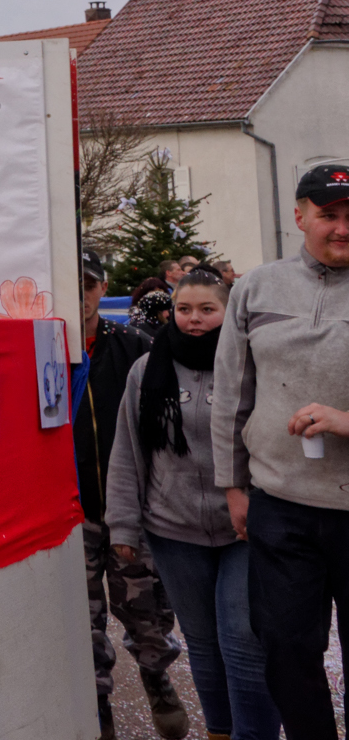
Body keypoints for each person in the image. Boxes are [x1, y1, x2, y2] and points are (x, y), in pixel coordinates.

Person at [109, 269, 281, 739]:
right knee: (203, 645)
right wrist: (122, 524)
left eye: (208, 309)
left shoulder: (252, 365)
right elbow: (128, 450)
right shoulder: (147, 370)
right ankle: (220, 732)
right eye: (185, 309)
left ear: (228, 313)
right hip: (174, 530)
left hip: (245, 526)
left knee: (243, 642)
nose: (194, 320)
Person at [214, 163, 349, 739]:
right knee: (287, 651)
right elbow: (232, 394)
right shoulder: (256, 287)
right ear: (300, 217)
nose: (343, 228)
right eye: (329, 216)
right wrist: (234, 484)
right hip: (281, 505)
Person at [77, 250, 189, 740]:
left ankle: (156, 675)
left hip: (128, 509)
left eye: (87, 284)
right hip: (70, 516)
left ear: (102, 289)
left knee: (145, 608)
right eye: (70, 283)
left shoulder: (134, 346)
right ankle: (96, 702)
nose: (79, 295)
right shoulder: (40, 352)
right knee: (83, 621)